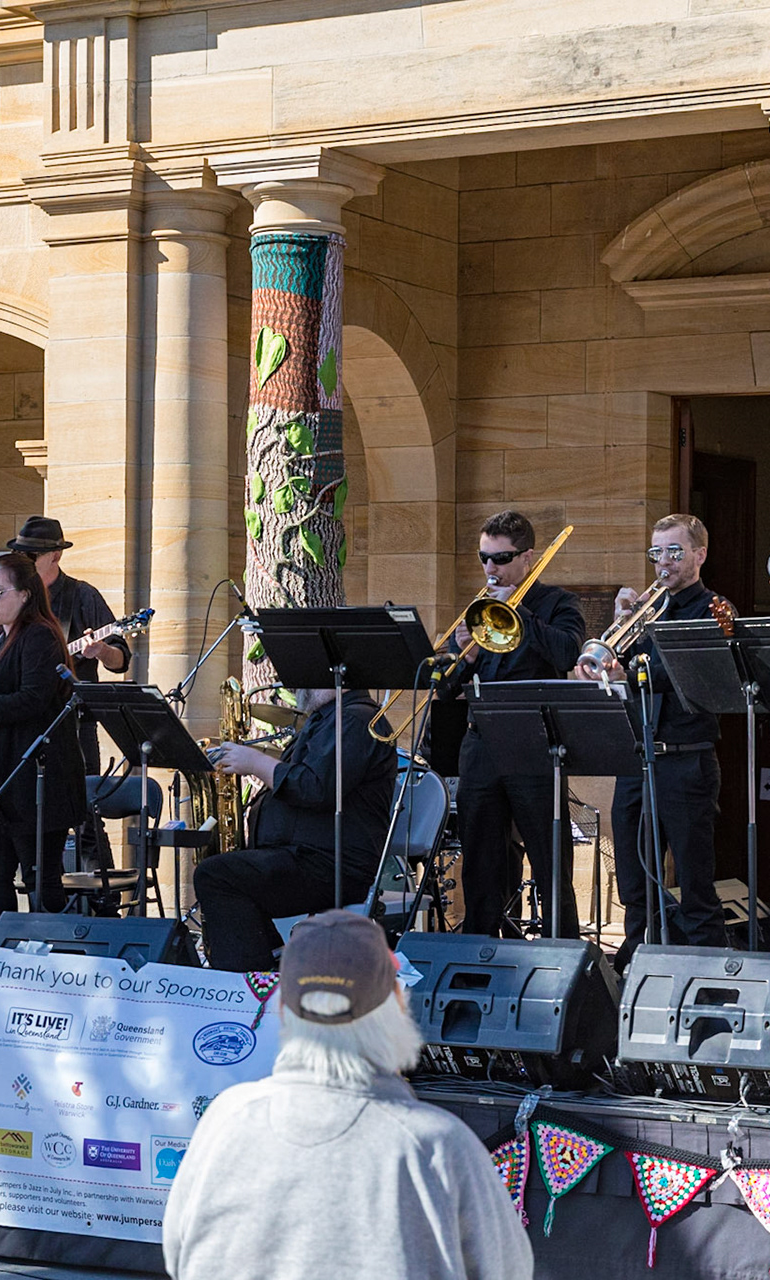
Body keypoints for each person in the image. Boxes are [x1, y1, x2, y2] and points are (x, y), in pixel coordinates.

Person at [163, 911, 533, 1280]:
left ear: (281, 1008)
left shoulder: (226, 1119)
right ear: (398, 1004)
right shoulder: (437, 1147)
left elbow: (178, 1254)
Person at [575, 514, 730, 964]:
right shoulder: (644, 612)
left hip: (686, 761)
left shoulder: (713, 609)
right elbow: (606, 665)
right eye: (656, 552)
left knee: (695, 881)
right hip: (636, 759)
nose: (663, 562)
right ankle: (639, 963)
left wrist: (636, 671)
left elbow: (697, 677)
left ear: (699, 555)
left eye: (674, 551)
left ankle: (708, 971)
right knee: (633, 881)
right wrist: (620, 624)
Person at [440, 511, 586, 938]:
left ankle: (563, 953)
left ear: (528, 558)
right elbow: (446, 693)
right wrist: (461, 658)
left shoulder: (558, 604)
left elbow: (567, 654)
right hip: (481, 746)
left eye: (501, 559)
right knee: (482, 864)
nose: (490, 568)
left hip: (535, 745)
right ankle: (484, 950)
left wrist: (519, 615)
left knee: (549, 861)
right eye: (484, 558)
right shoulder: (476, 611)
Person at [0, 516, 131, 873]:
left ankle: (99, 901)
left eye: (32, 556)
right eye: (20, 554)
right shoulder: (4, 600)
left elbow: (121, 660)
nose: (23, 561)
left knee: (83, 810)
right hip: (9, 729)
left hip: (69, 721)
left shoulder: (81, 595)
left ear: (55, 555)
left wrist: (101, 651)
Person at [191, 688, 399, 971]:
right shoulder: (329, 719)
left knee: (218, 876)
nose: (302, 685)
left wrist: (255, 763)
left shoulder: (357, 719)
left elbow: (314, 788)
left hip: (330, 865)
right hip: (304, 857)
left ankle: (251, 986)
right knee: (228, 877)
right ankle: (272, 965)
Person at [0, 552, 86, 926]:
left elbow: (34, 699)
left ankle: (48, 962)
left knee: (40, 879)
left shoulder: (40, 635)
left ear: (25, 594)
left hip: (35, 781)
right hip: (0, 778)